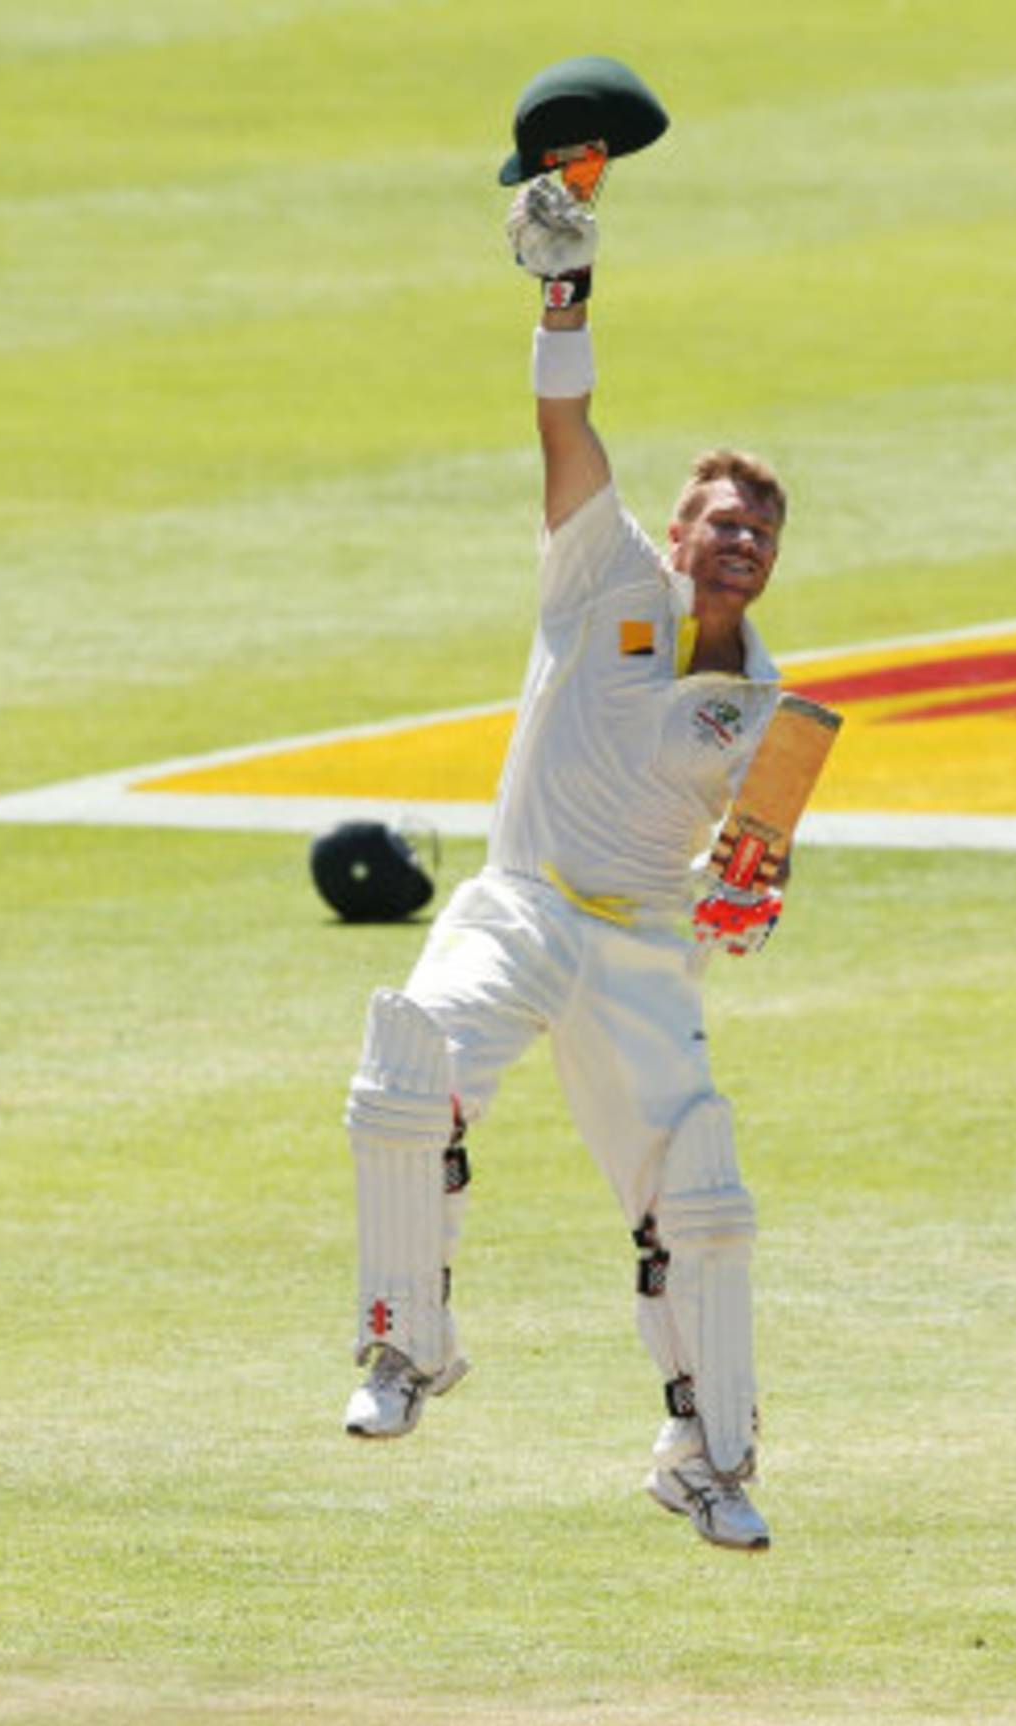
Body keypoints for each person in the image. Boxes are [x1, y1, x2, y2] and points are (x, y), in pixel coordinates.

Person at [340, 176, 790, 1551]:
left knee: (700, 1194)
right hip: (524, 899)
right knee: (409, 1065)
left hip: (646, 945)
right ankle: (405, 1347)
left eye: (764, 532)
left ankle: (708, 1458)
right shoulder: (601, 571)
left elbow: (756, 876)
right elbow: (564, 422)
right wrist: (563, 290)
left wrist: (750, 898)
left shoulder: (768, 707)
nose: (743, 541)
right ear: (677, 525)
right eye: (722, 519)